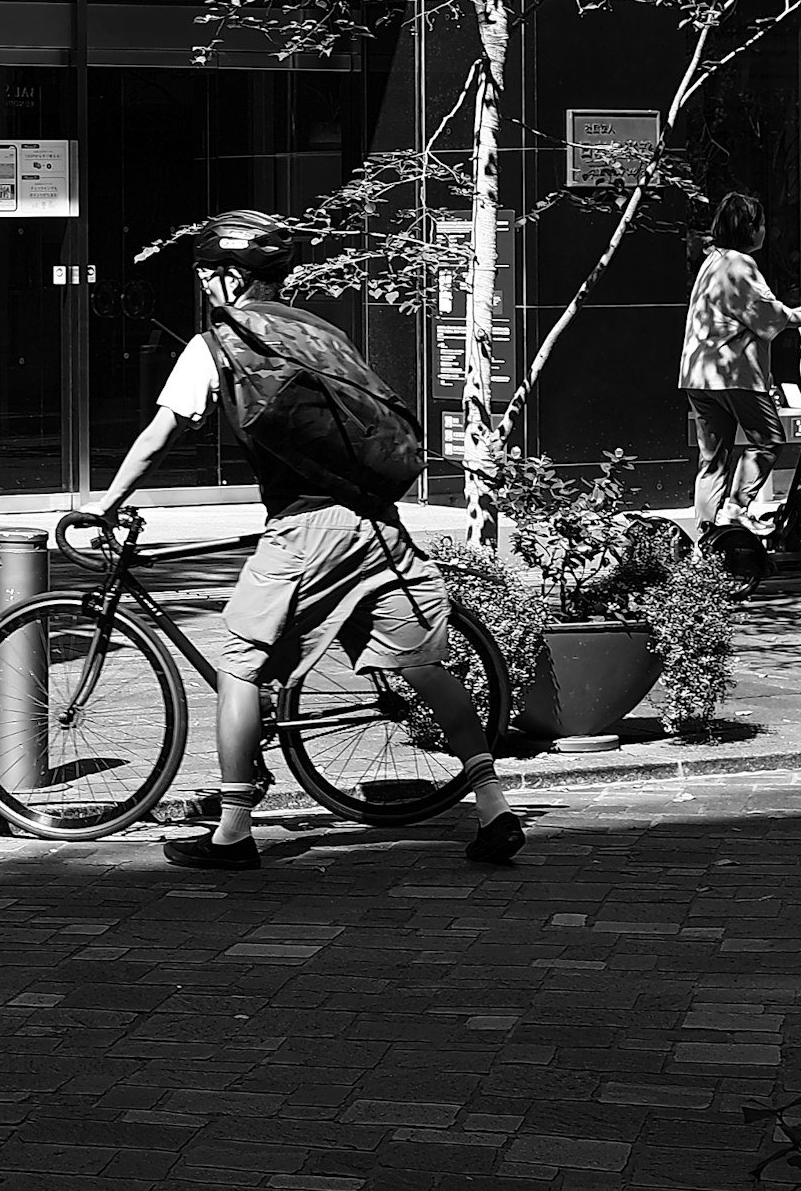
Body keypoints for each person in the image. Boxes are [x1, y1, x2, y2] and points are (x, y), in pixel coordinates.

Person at [86, 210, 523, 874]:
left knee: (237, 665)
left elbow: (160, 434)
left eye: (209, 270)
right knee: (422, 665)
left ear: (235, 276)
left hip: (306, 526)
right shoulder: (320, 332)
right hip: (377, 521)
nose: (203, 282)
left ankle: (232, 832)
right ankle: (493, 807)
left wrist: (106, 501)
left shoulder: (218, 343)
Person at [683, 191, 798, 541]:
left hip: (697, 373)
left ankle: (708, 538)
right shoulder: (740, 264)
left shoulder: (712, 261)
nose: (765, 230)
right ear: (750, 228)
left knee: (713, 460)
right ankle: (735, 507)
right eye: (761, 224)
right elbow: (770, 316)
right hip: (732, 374)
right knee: (769, 441)